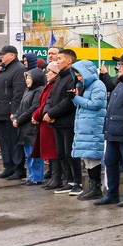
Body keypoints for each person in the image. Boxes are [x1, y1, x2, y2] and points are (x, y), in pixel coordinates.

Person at [96, 52, 123, 206]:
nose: (119, 67)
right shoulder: (121, 81)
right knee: (110, 162)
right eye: (119, 64)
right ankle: (112, 194)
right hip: (113, 130)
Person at [70, 60, 108, 199]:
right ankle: (93, 187)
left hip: (93, 126)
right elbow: (83, 106)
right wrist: (75, 98)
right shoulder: (85, 86)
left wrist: (76, 98)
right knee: (87, 158)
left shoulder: (98, 85)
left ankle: (96, 188)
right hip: (85, 126)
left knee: (93, 158)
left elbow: (96, 104)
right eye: (77, 75)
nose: (79, 78)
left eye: (80, 75)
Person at [44, 50, 80, 193]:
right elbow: (51, 97)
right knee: (61, 153)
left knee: (71, 153)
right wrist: (47, 112)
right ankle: (69, 180)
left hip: (68, 121)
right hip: (56, 121)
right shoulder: (59, 77)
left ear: (69, 61)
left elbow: (68, 101)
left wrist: (51, 113)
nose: (57, 61)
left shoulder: (72, 77)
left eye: (59, 58)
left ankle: (77, 182)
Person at [0, 45, 27, 179]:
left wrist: (14, 111)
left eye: (3, 54)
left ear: (13, 55)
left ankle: (18, 168)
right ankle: (8, 166)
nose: (1, 56)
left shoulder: (19, 69)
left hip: (9, 112)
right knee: (4, 141)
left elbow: (18, 92)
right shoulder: (4, 69)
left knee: (13, 141)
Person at [32, 62, 62, 192]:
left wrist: (36, 115)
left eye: (49, 71)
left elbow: (45, 104)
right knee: (50, 152)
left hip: (49, 121)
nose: (46, 73)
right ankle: (54, 177)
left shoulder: (53, 86)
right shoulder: (49, 85)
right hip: (44, 121)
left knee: (53, 151)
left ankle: (57, 178)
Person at [13, 68, 46, 185]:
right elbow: (21, 107)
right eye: (26, 77)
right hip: (24, 128)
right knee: (29, 154)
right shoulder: (27, 90)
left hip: (32, 127)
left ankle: (37, 177)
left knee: (34, 155)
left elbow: (34, 108)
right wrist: (15, 117)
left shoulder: (39, 91)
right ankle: (31, 176)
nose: (27, 80)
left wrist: (19, 119)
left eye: (29, 77)